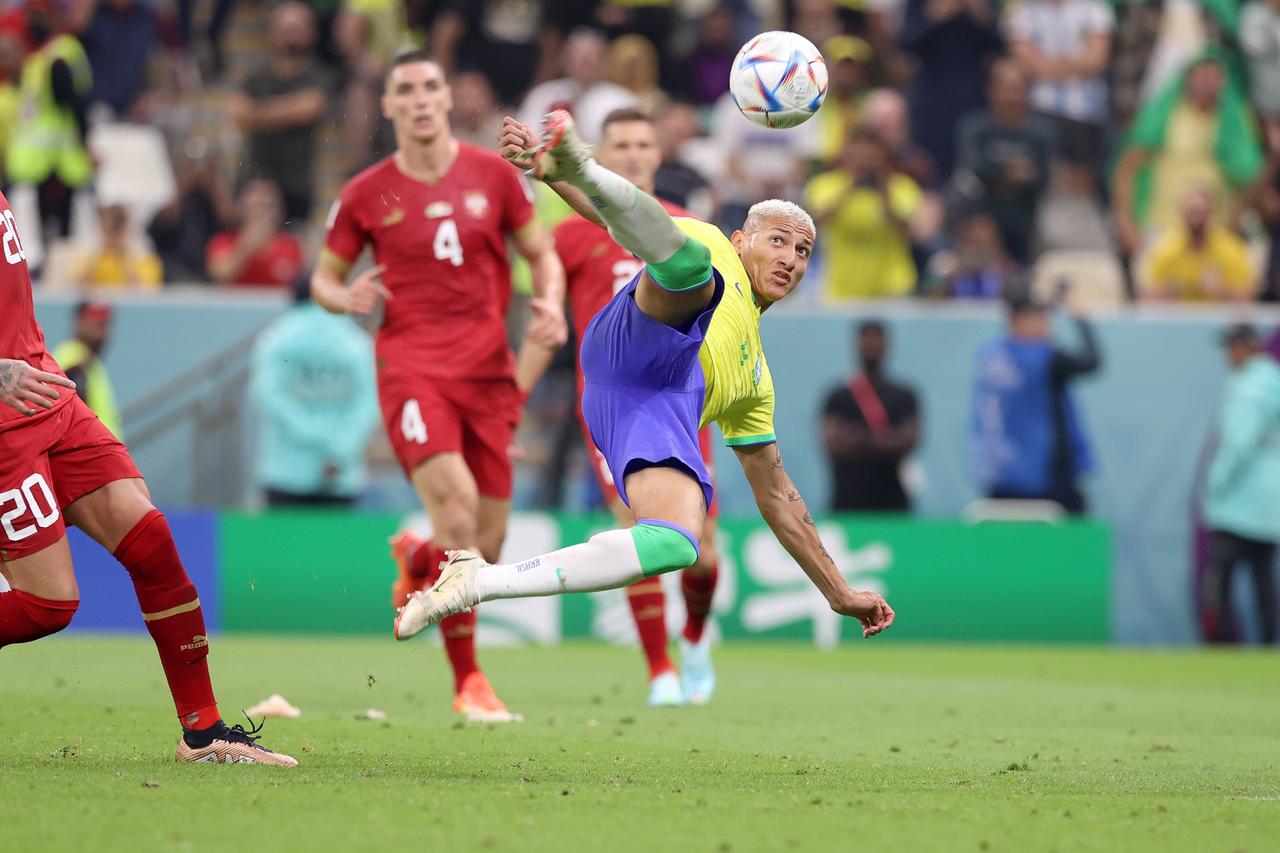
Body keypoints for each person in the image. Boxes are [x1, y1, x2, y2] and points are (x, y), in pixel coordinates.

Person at [393, 109, 894, 647]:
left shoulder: (754, 381)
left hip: (647, 408)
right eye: (777, 240)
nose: (790, 259)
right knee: (693, 269)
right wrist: (561, 174)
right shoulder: (711, 242)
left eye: (802, 252)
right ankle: (583, 161)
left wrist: (839, 591)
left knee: (679, 543)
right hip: (629, 343)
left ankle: (478, 581)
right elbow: (617, 224)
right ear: (741, 239)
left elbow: (777, 496)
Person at [311, 52, 566, 722]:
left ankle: (417, 557)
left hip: (489, 374)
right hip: (413, 370)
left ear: (448, 97)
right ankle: (469, 679)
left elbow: (542, 252)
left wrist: (552, 302)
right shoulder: (368, 193)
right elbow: (323, 279)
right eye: (405, 91)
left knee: (487, 543)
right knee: (457, 510)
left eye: (430, 87)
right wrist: (346, 297)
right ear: (389, 105)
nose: (420, 99)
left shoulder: (494, 176)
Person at [0, 189, 296, 765]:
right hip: (4, 428)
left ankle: (204, 736)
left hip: (48, 393)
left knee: (153, 542)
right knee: (47, 605)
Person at [552, 107, 721, 707]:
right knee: (639, 530)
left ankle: (695, 639)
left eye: (643, 143)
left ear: (658, 155)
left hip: (680, 398)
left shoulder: (687, 230)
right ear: (603, 152)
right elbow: (549, 297)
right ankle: (660, 673)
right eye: (619, 143)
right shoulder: (571, 235)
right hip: (615, 408)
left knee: (702, 552)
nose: (632, 153)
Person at [1112, 50, 1263, 260]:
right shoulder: (1163, 115)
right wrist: (1126, 222)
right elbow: (1127, 169)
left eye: (1214, 75)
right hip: (1162, 228)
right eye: (1201, 74)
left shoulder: (1235, 121)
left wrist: (1236, 224)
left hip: (1216, 233)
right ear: (1188, 77)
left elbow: (1247, 177)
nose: (1207, 82)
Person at [250, 277, 379, 508]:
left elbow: (268, 394)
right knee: (336, 545)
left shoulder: (277, 339)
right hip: (340, 471)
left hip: (286, 471)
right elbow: (369, 403)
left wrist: (312, 434)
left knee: (283, 545)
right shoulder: (356, 342)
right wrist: (338, 448)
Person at [971, 292, 1100, 514]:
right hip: (1045, 470)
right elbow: (1092, 362)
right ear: (1019, 321)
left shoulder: (991, 355)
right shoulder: (1046, 358)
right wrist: (1081, 319)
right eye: (1040, 319)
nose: (1048, 326)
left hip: (999, 468)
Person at [1202, 323, 1280, 644]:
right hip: (1270, 502)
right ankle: (1267, 646)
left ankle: (1218, 645)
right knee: (1264, 580)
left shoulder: (1248, 387)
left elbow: (1237, 443)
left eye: (1231, 347)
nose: (1227, 355)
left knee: (1219, 579)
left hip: (1237, 503)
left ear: (1247, 347)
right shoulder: (1273, 380)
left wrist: (1215, 484)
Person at [230, 1, 329, 225]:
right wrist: (285, 111)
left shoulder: (318, 75)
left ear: (311, 33)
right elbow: (239, 114)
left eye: (296, 29)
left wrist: (259, 114)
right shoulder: (256, 75)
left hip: (296, 188)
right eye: (284, 29)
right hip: (253, 182)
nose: (290, 37)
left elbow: (309, 107)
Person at [4, 4, 92, 250]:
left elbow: (74, 105)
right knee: (31, 233)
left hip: (60, 158)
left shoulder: (59, 55)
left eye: (39, 16)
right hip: (35, 162)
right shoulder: (38, 59)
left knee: (61, 234)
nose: (33, 22)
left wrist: (86, 144)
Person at [951, 59, 1055, 265]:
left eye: (1018, 90)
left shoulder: (1042, 132)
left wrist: (1000, 175)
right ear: (991, 91)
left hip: (1026, 214)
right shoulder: (975, 127)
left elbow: (1044, 176)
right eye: (1007, 89)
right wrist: (1009, 173)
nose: (1012, 97)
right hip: (982, 211)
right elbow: (973, 167)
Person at [1006, 0, 1113, 195]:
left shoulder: (1094, 9)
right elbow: (1024, 62)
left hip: (1084, 112)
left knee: (1082, 182)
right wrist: (1074, 64)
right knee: (1040, 178)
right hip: (1038, 110)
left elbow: (1096, 61)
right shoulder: (1025, 12)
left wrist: (1047, 66)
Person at [804, 127, 923, 300]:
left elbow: (908, 232)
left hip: (892, 289)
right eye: (860, 156)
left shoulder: (902, 187)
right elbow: (815, 225)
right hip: (840, 290)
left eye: (871, 157)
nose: (865, 163)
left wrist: (883, 190)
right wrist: (851, 186)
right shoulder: (825, 185)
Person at [822, 321, 921, 512]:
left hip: (893, 503)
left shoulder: (904, 396)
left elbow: (908, 440)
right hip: (847, 501)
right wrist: (886, 439)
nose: (871, 345)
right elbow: (833, 444)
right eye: (866, 339)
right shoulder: (838, 397)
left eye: (877, 339)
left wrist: (858, 438)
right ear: (856, 346)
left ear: (887, 346)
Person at [517, 28, 637, 145]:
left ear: (605, 60)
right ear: (564, 60)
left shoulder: (622, 100)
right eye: (577, 55)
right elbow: (526, 136)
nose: (584, 62)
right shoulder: (543, 94)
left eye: (591, 56)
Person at [1142, 187, 1255, 302]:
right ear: (1181, 213)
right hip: (1176, 318)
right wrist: (1168, 292)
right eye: (1191, 212)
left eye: (1200, 212)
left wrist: (1221, 290)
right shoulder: (1165, 248)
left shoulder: (1231, 248)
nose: (1195, 220)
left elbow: (1248, 297)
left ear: (1211, 213)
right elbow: (1145, 296)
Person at [206, 178, 305, 289]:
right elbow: (219, 275)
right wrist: (246, 247)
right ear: (240, 208)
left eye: (268, 206)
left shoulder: (291, 246)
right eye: (255, 206)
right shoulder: (223, 242)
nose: (261, 213)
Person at [51, 299, 122, 439]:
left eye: (107, 325)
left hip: (103, 454)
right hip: (93, 456)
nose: (104, 334)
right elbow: (74, 428)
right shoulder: (74, 362)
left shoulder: (89, 361)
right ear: (80, 322)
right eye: (98, 325)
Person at [71, 203, 163, 289]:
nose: (112, 236)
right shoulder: (89, 258)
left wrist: (125, 254)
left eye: (116, 229)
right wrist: (96, 256)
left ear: (128, 229)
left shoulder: (145, 260)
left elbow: (145, 294)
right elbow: (73, 287)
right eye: (106, 230)